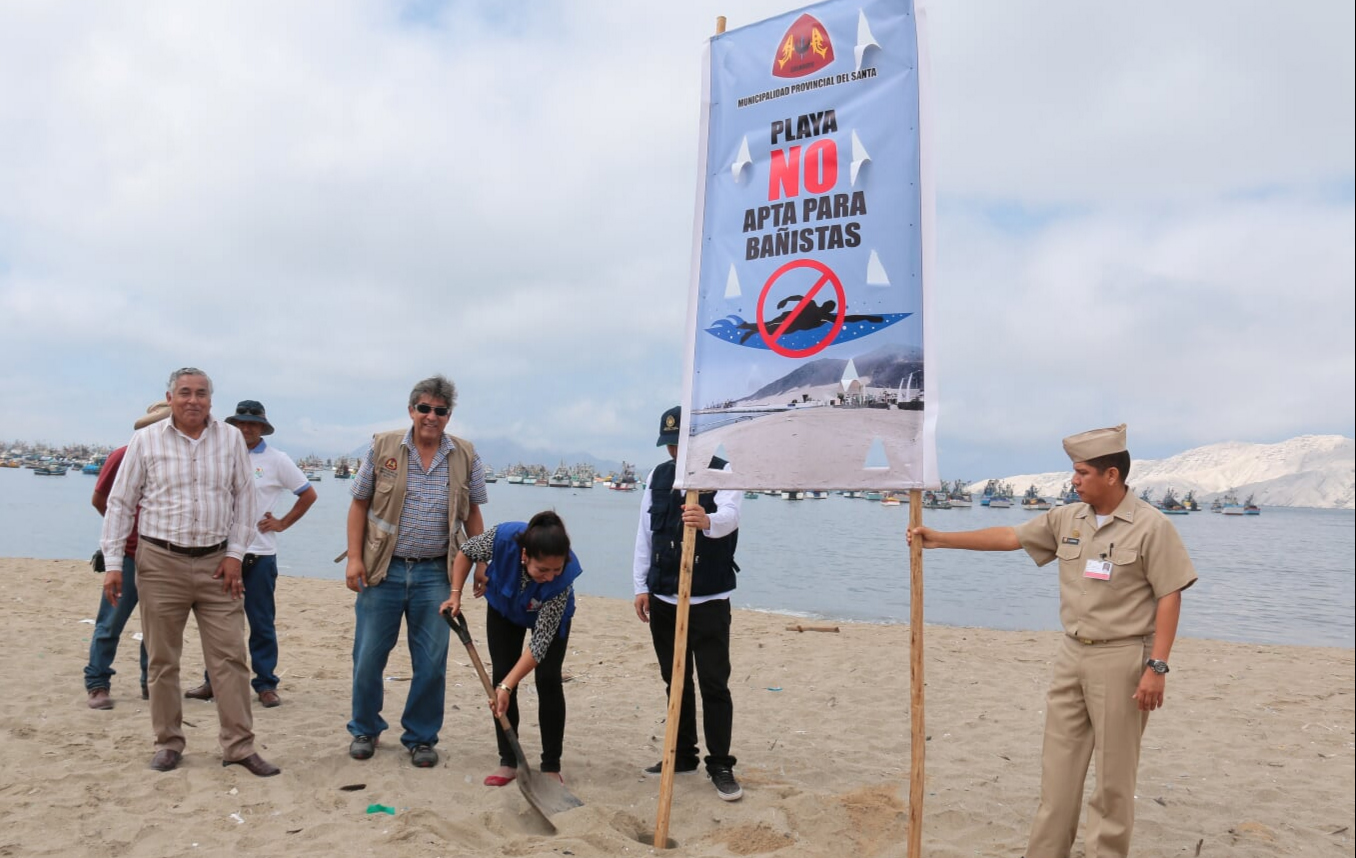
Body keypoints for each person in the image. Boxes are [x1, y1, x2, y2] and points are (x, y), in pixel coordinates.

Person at [907, 423, 1197, 858]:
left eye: (1082, 472)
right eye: (1074, 472)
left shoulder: (1151, 526)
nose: (1073, 480)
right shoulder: (1068, 518)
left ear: (1111, 475)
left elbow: (1169, 595)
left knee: (1114, 783)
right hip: (1071, 657)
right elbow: (1011, 537)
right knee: (1057, 777)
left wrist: (1157, 667)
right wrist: (941, 540)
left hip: (1122, 661)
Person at [100, 367, 279, 776]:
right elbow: (121, 505)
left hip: (219, 565)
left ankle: (239, 746)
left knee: (231, 658)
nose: (193, 400)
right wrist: (113, 564)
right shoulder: (145, 441)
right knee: (162, 660)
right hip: (160, 561)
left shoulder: (231, 438)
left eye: (201, 393)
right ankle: (168, 742)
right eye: (185, 393)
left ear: (211, 401)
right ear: (170, 397)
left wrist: (236, 555)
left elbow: (244, 500)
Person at [344, 374, 487, 768]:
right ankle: (364, 728)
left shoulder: (466, 455)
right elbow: (359, 504)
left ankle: (421, 737)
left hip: (436, 575)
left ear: (449, 415)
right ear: (412, 410)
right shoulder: (383, 446)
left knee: (431, 660)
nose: (431, 416)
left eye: (440, 411)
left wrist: (481, 563)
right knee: (369, 657)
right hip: (383, 571)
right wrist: (355, 558)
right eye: (424, 408)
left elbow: (474, 512)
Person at [632, 405, 745, 801]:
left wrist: (707, 520)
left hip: (709, 597)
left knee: (714, 682)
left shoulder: (726, 473)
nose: (675, 454)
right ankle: (681, 754)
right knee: (674, 678)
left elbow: (730, 516)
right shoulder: (658, 476)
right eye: (670, 445)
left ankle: (720, 763)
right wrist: (640, 586)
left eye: (681, 444)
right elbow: (645, 533)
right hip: (664, 595)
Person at [185, 400, 317, 709]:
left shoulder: (277, 460)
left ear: (262, 428)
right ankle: (213, 681)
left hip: (259, 553)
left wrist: (282, 523)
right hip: (218, 552)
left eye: (253, 424)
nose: (246, 428)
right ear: (232, 425)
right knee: (217, 622)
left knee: (261, 622)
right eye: (241, 423)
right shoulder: (218, 453)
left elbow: (308, 494)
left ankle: (266, 684)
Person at [441, 510, 582, 786]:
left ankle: (551, 765)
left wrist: (508, 685)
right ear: (525, 556)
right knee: (502, 674)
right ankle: (509, 761)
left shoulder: (560, 585)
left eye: (557, 569)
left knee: (548, 679)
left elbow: (539, 645)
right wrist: (455, 595)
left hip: (547, 618)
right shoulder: (504, 538)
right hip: (505, 609)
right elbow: (467, 551)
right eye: (543, 570)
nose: (551, 576)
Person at [83, 401, 169, 709]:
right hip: (130, 554)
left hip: (163, 557)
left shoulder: (174, 459)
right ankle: (97, 683)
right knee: (110, 622)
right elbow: (100, 499)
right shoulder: (122, 455)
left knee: (157, 627)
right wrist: (123, 531)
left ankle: (151, 684)